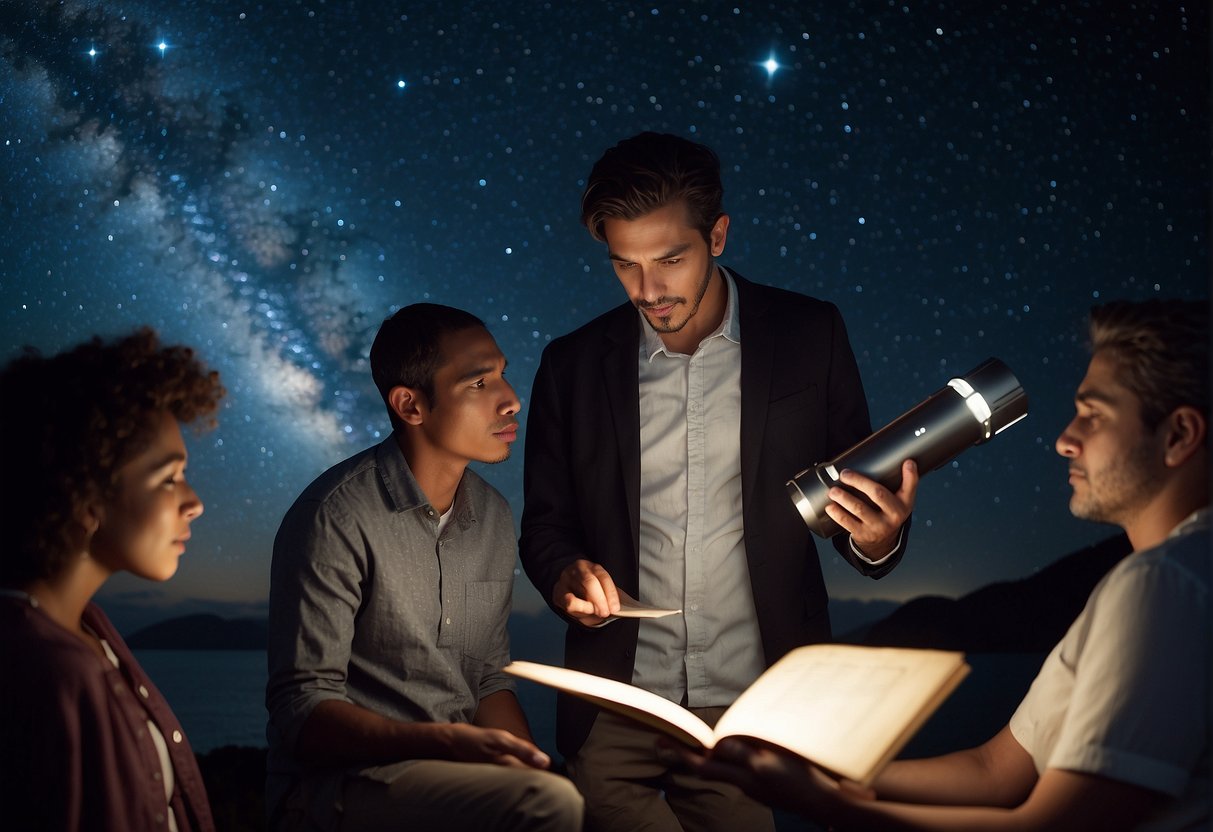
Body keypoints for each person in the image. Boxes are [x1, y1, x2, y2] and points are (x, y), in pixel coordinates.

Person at [666, 298, 1210, 831]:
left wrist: (825, 805)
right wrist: (822, 768)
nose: (1066, 441)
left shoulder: (1164, 583)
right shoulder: (1166, 578)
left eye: (1094, 416)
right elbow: (994, 772)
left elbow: (1052, 823)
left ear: (1179, 435)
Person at [519, 131, 918, 832]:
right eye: (624, 266)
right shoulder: (570, 365)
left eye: (669, 259)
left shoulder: (810, 333)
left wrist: (879, 540)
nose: (647, 290)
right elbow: (546, 524)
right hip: (613, 705)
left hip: (750, 710)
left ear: (719, 236)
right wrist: (564, 577)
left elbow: (857, 500)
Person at [265, 303, 584, 832]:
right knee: (547, 807)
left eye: (503, 375)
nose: (511, 400)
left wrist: (531, 765)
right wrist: (445, 743)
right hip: (341, 786)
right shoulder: (336, 515)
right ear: (410, 406)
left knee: (562, 794)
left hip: (455, 776)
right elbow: (302, 708)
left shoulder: (494, 518)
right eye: (479, 384)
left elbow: (486, 681)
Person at [0, 328, 224, 831]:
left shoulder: (89, 631)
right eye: (169, 478)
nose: (195, 502)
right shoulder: (44, 674)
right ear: (85, 497)